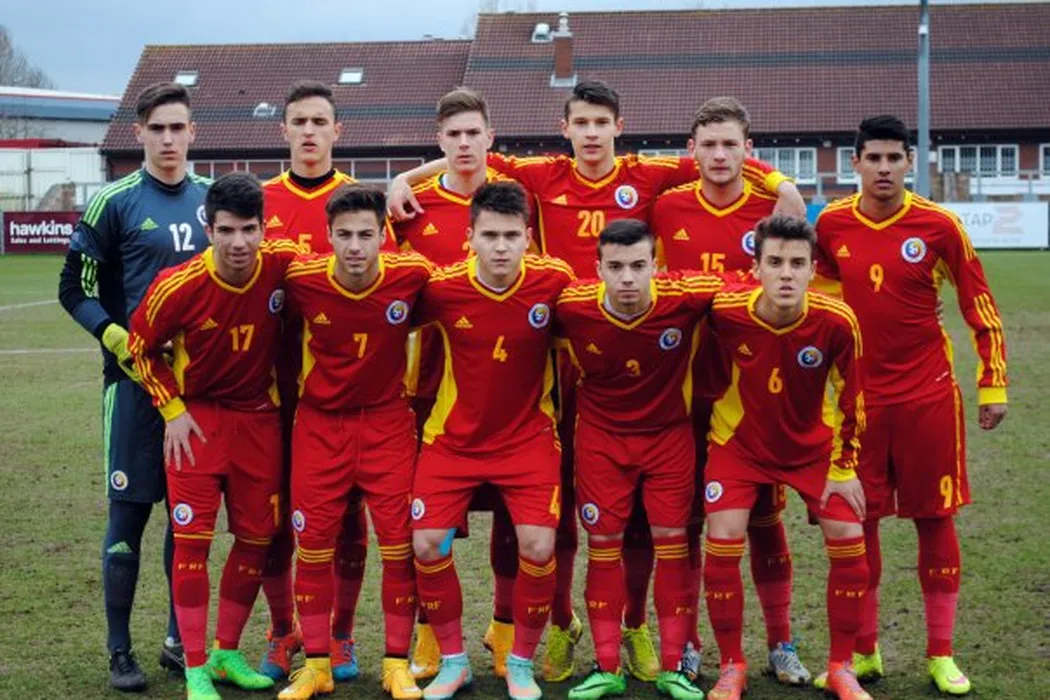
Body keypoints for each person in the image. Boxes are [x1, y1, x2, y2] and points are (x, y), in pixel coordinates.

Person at [390, 79, 805, 683]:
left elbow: (714, 155)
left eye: (600, 123)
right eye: (580, 123)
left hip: (651, 366)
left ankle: (639, 629)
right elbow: (470, 155)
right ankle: (559, 627)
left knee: (656, 521)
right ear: (565, 128)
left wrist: (781, 182)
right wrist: (404, 179)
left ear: (618, 126)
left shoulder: (647, 175)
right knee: (555, 518)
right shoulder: (542, 174)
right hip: (554, 369)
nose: (590, 134)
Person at [812, 115, 1008, 696]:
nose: (884, 168)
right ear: (855, 163)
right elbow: (819, 303)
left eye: (894, 158)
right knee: (860, 522)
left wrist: (993, 384)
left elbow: (980, 305)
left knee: (935, 518)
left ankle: (941, 654)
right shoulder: (831, 225)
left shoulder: (939, 226)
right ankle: (865, 652)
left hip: (928, 396)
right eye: (873, 158)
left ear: (909, 162)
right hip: (858, 403)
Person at [57, 81, 211, 690]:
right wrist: (117, 337)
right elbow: (74, 289)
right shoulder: (113, 202)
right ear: (139, 133)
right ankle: (120, 650)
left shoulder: (212, 200)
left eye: (178, 128)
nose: (168, 139)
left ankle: (179, 641)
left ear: (193, 132)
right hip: (131, 388)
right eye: (157, 128)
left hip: (198, 393)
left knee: (187, 521)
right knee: (127, 518)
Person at [650, 96, 808, 685]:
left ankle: (781, 642)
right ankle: (689, 644)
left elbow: (806, 284)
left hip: (754, 393)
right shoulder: (667, 207)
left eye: (730, 144)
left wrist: (782, 185)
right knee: (691, 520)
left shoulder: (771, 210)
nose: (719, 155)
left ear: (749, 150)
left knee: (765, 519)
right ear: (691, 151)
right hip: (684, 390)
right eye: (709, 145)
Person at [127, 172, 300, 700]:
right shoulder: (176, 286)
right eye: (226, 230)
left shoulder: (283, 264)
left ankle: (226, 653)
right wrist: (172, 408)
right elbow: (139, 347)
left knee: (256, 538)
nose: (239, 242)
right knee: (192, 542)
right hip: (197, 424)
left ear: (264, 228)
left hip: (259, 420)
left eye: (249, 229)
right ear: (208, 229)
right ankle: (196, 668)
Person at [410, 181, 574, 700]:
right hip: (452, 439)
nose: (500, 247)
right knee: (427, 544)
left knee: (538, 546)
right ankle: (453, 661)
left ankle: (520, 663)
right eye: (489, 236)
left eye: (510, 236)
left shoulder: (554, 281)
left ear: (528, 237)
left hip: (528, 439)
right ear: (470, 238)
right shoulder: (442, 289)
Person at [700, 214, 871, 700]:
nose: (786, 274)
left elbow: (854, 399)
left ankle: (841, 668)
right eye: (774, 262)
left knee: (849, 536)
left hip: (811, 449)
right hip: (739, 445)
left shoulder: (837, 321)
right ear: (755, 268)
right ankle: (732, 666)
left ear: (813, 269)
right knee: (723, 538)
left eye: (797, 263)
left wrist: (844, 468)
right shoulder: (725, 309)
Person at [387, 87, 524, 682]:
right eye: (454, 135)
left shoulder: (517, 197)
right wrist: (401, 180)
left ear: (491, 137)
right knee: (429, 525)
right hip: (429, 391)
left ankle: (503, 631)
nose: (465, 144)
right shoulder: (410, 208)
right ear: (439, 140)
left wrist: (404, 172)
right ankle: (428, 637)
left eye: (474, 133)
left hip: (510, 390)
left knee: (515, 520)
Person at [259, 79, 393, 681]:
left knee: (347, 518)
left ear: (338, 131)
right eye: (299, 121)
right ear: (284, 130)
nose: (309, 131)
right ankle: (281, 630)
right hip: (270, 388)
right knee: (274, 518)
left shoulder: (361, 204)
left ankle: (340, 634)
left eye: (320, 121)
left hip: (345, 391)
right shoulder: (261, 201)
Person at [555, 219, 722, 700]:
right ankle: (607, 666)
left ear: (655, 266)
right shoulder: (571, 305)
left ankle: (673, 668)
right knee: (603, 544)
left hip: (668, 438)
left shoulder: (686, 296)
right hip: (601, 441)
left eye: (637, 266)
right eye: (615, 267)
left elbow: (745, 291)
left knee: (672, 544)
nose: (627, 278)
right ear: (598, 269)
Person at [276, 185, 431, 700]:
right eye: (344, 235)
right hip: (320, 427)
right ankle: (316, 666)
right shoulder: (301, 279)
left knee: (399, 547)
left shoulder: (412, 275)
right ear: (328, 236)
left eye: (366, 234)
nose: (355, 246)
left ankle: (396, 665)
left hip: (387, 426)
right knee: (313, 548)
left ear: (384, 236)